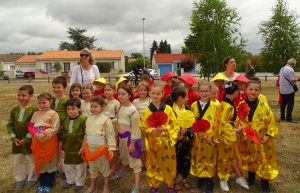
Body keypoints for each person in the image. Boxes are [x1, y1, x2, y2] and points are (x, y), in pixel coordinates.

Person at [239, 80, 279, 193]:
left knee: (263, 159)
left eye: (256, 90)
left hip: (262, 140)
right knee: (250, 157)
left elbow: (271, 121)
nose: (253, 92)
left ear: (260, 91)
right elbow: (238, 121)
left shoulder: (264, 106)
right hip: (247, 139)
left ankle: (264, 180)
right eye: (251, 89)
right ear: (246, 90)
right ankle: (251, 176)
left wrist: (268, 135)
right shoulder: (241, 105)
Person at [140, 85, 180, 193]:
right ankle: (154, 184)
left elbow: (175, 124)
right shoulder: (147, 111)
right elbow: (143, 127)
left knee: (169, 163)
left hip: (166, 142)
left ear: (162, 94)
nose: (155, 96)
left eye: (158, 94)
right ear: (149, 94)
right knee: (153, 163)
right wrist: (152, 131)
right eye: (153, 93)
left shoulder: (168, 109)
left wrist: (166, 128)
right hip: (153, 142)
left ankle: (170, 184)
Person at [215, 81, 249, 192]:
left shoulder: (227, 103)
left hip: (228, 136)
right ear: (235, 92)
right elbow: (224, 123)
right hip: (226, 137)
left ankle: (239, 177)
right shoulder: (228, 105)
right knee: (225, 158)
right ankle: (223, 179)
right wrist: (235, 130)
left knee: (234, 157)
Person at [79, 96, 116, 193]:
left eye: (95, 107)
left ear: (102, 107)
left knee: (105, 169)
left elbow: (111, 136)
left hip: (101, 150)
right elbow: (86, 134)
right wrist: (83, 147)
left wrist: (111, 148)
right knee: (93, 169)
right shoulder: (89, 119)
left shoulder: (106, 120)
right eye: (91, 106)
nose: (92, 109)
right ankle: (92, 185)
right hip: (90, 149)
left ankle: (106, 187)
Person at [7, 85, 38, 191]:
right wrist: (14, 138)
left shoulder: (35, 110)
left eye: (24, 95)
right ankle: (20, 179)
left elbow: (35, 127)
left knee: (31, 160)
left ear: (31, 96)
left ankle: (31, 179)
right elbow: (10, 125)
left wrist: (26, 139)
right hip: (16, 142)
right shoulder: (14, 110)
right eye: (19, 95)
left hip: (29, 141)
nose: (21, 98)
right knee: (18, 160)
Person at [28, 92, 60, 193]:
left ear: (50, 101)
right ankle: (42, 183)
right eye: (40, 103)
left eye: (44, 102)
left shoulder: (54, 114)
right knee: (41, 163)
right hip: (37, 142)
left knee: (50, 162)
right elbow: (30, 126)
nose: (42, 105)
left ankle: (49, 184)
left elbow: (56, 128)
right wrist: (36, 133)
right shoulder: (36, 113)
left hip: (49, 142)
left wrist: (44, 133)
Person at [190, 82, 218, 193]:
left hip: (210, 138)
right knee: (199, 156)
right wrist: (197, 132)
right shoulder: (193, 105)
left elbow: (217, 123)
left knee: (210, 157)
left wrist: (210, 136)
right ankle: (200, 176)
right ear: (198, 91)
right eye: (201, 91)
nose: (204, 93)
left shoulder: (216, 106)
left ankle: (209, 179)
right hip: (198, 137)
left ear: (211, 92)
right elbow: (192, 121)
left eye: (206, 91)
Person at [113, 84, 142, 193]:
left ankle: (137, 185)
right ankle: (123, 171)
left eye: (123, 94)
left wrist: (132, 143)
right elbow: (121, 119)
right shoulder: (119, 106)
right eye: (119, 94)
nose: (120, 96)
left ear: (129, 95)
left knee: (134, 162)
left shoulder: (133, 111)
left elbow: (135, 129)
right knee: (124, 157)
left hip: (130, 139)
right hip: (121, 138)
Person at [168, 86, 195, 193]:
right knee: (175, 161)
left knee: (186, 160)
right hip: (175, 142)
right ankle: (175, 182)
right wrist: (178, 133)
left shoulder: (187, 109)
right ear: (180, 98)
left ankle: (184, 179)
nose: (188, 99)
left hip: (186, 141)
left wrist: (187, 131)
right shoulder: (170, 110)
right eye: (186, 96)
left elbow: (193, 124)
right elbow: (168, 125)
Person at [61, 98, 87, 192]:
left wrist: (83, 146)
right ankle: (70, 180)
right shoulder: (65, 120)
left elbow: (86, 133)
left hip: (79, 146)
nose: (70, 111)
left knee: (79, 164)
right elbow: (63, 133)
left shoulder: (83, 119)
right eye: (68, 109)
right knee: (67, 164)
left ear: (79, 109)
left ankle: (79, 182)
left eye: (73, 108)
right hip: (67, 146)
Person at [52, 76, 68, 178]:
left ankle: (64, 170)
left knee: (62, 150)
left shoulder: (67, 101)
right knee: (55, 149)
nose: (56, 89)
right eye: (54, 87)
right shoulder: (51, 100)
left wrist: (62, 126)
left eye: (58, 87)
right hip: (52, 130)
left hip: (62, 130)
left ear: (64, 88)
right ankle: (56, 168)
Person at [279, 58, 299, 122]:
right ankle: (288, 118)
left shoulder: (282, 68)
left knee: (283, 104)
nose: (295, 66)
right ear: (292, 64)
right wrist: (298, 78)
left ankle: (282, 117)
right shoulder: (290, 70)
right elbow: (293, 80)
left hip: (282, 89)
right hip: (289, 90)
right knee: (290, 104)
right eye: (295, 64)